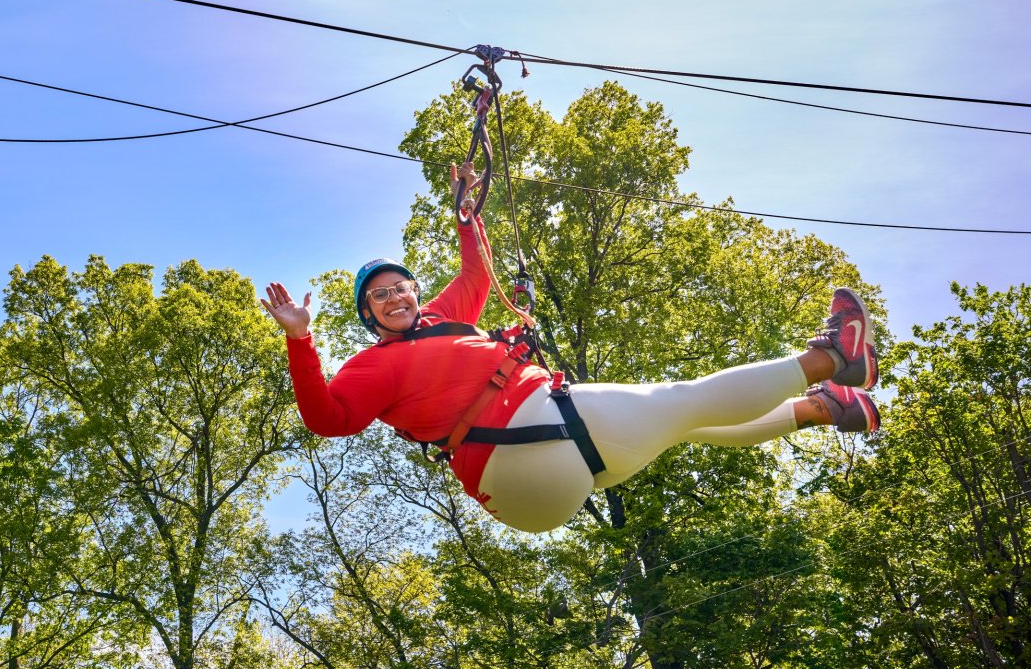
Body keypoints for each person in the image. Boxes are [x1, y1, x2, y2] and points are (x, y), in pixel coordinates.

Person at [260, 169, 881, 534]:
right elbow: (327, 419)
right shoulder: (373, 365)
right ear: (369, 316)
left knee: (688, 423)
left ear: (415, 293)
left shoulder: (446, 318)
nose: (392, 298)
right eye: (378, 298)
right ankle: (833, 359)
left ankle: (822, 409)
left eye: (399, 288)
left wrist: (465, 212)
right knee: (682, 400)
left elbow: (477, 271)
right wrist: (300, 339)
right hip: (519, 447)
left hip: (537, 473)